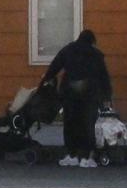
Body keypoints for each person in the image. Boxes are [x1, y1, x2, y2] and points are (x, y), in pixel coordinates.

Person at [42, 29, 112, 168]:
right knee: (88, 125)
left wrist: (46, 80)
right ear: (92, 42)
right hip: (89, 95)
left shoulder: (67, 50)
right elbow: (104, 77)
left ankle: (72, 155)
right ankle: (87, 156)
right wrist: (107, 96)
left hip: (69, 93)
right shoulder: (95, 54)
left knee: (70, 124)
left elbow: (55, 66)